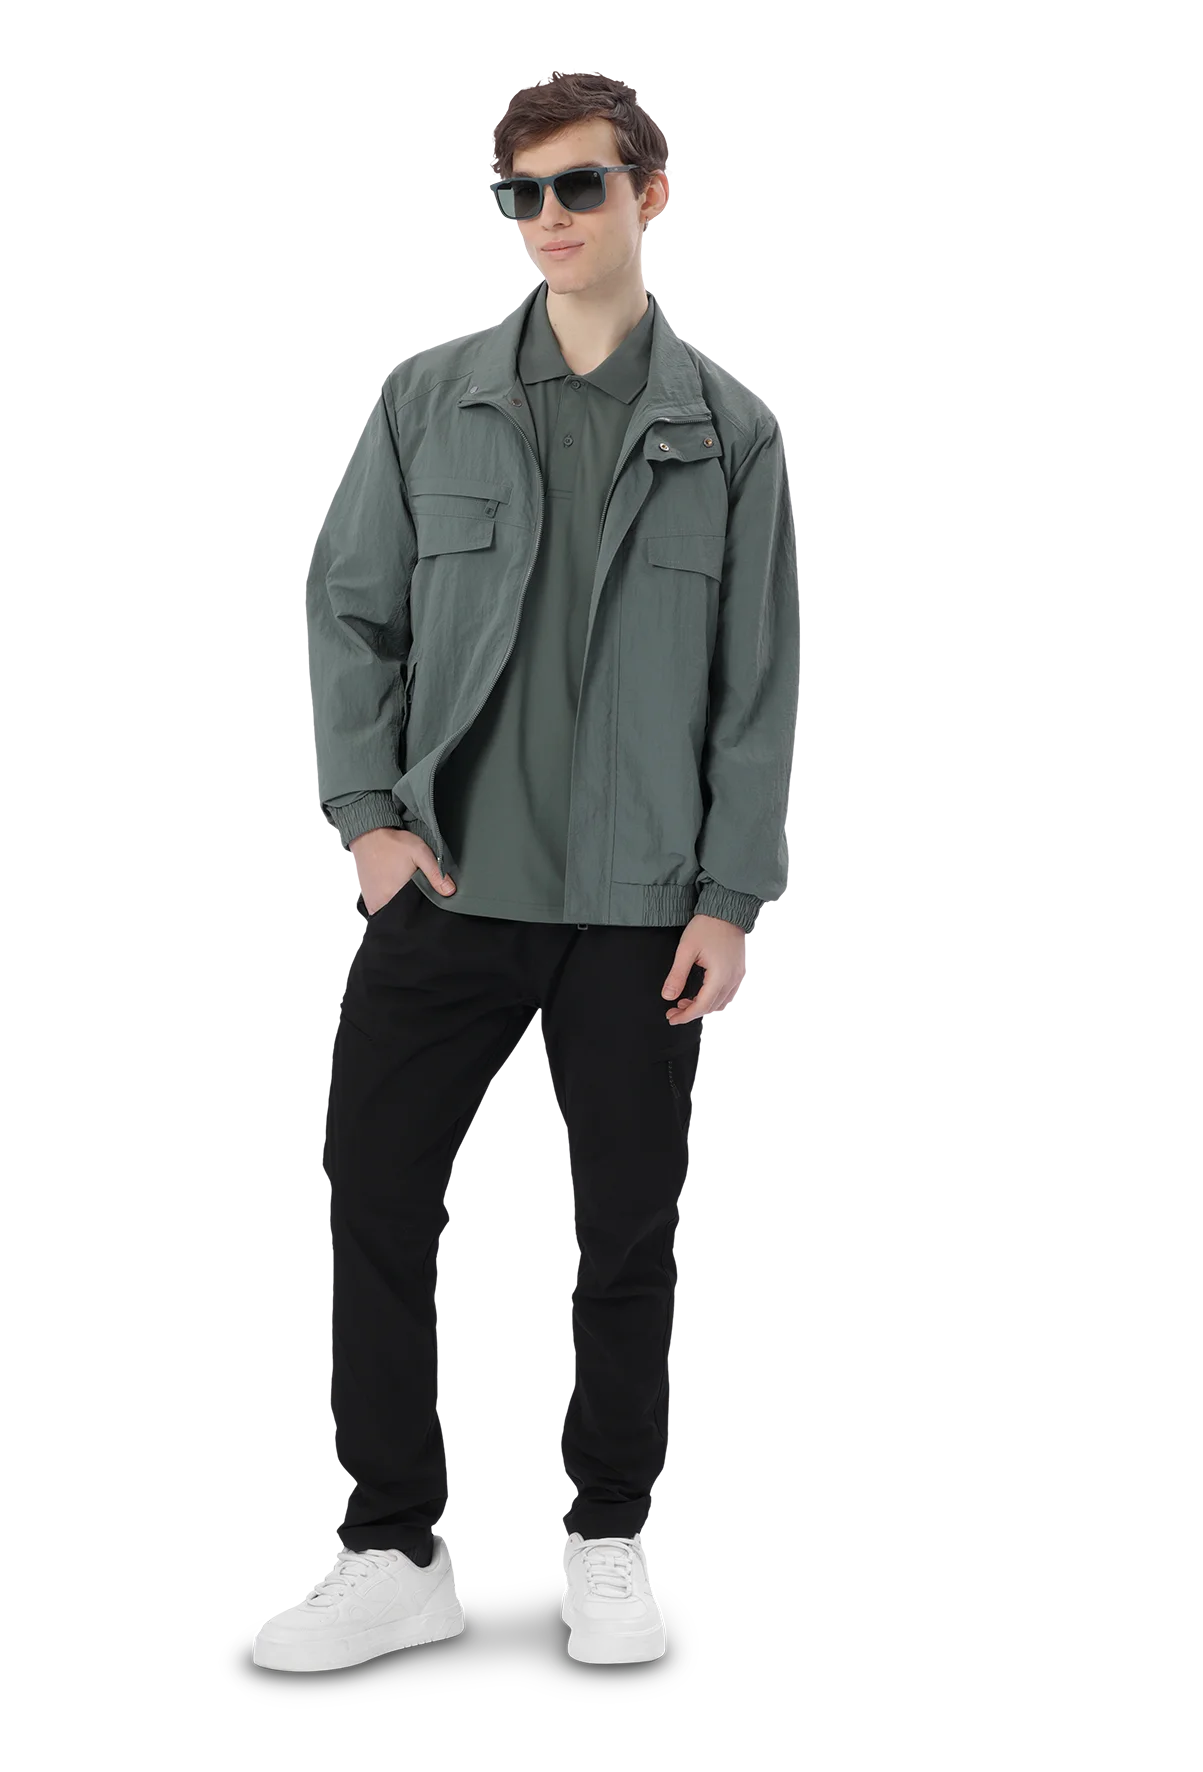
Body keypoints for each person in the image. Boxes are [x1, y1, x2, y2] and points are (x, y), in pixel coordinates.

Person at [256, 73, 799, 1673]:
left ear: (650, 193)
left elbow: (758, 685)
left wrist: (731, 895)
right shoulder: (427, 400)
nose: (548, 220)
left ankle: (609, 1541)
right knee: (377, 1201)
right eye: (521, 196)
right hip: (446, 890)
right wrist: (368, 823)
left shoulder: (732, 432)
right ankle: (393, 1547)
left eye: (577, 186)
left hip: (639, 914)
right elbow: (349, 612)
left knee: (626, 1229)